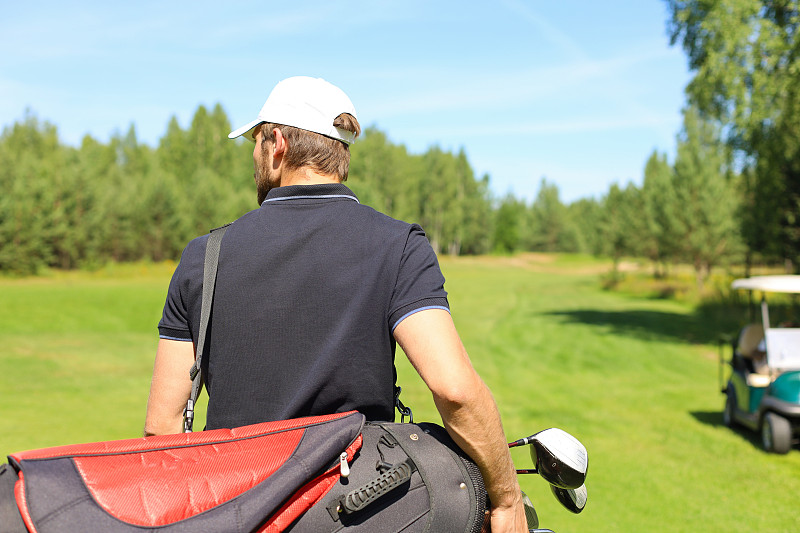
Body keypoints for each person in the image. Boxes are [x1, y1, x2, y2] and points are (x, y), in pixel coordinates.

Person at [144, 76, 525, 532]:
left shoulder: (203, 256)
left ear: (277, 143)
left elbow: (162, 427)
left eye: (254, 141)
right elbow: (455, 390)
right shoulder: (397, 245)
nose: (252, 155)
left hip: (238, 510)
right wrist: (506, 500)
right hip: (359, 510)